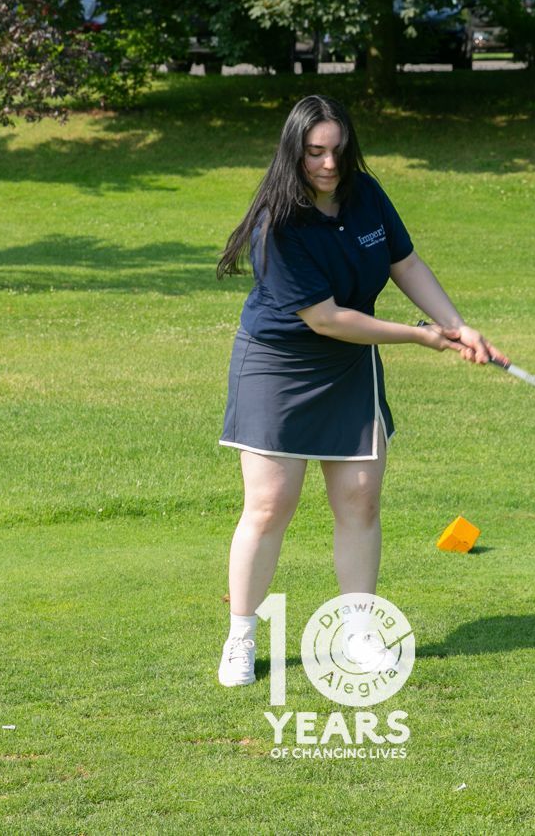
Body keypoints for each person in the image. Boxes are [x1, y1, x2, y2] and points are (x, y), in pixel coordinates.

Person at [214, 94, 506, 687]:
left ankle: (358, 632)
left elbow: (406, 263)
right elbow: (325, 319)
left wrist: (456, 325)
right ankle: (241, 636)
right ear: (293, 152)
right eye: (315, 152)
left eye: (338, 151)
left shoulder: (365, 193)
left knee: (360, 499)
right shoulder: (277, 224)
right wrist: (419, 336)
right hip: (279, 364)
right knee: (269, 506)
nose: (328, 164)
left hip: (350, 365)